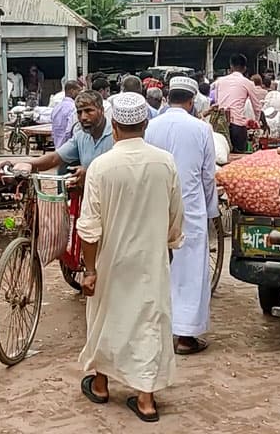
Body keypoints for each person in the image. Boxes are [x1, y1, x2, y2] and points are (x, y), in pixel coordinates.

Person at [76, 92, 184, 423]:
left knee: (106, 318)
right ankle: (146, 399)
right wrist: (168, 245)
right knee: (148, 322)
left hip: (111, 260)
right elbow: (175, 215)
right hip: (151, 260)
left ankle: (101, 382)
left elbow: (89, 228)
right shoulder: (165, 162)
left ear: (113, 124)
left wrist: (90, 270)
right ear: (145, 123)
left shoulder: (101, 166)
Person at [145, 77, 218, 355]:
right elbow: (207, 176)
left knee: (157, 267)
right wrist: (211, 211)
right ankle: (186, 337)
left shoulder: (151, 127)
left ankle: (157, 331)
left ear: (168, 98)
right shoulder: (201, 129)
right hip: (190, 207)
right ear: (190, 102)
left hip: (156, 206)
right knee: (190, 269)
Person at [6, 91, 113, 186]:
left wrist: (89, 173)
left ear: (101, 110)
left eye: (89, 111)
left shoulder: (116, 134)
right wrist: (25, 164)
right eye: (79, 112)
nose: (83, 117)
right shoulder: (81, 136)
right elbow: (54, 158)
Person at [213, 54, 262, 153]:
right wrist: (257, 122)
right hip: (237, 125)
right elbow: (257, 107)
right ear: (244, 68)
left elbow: (217, 102)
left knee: (222, 155)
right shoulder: (247, 83)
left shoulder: (219, 81)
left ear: (231, 66)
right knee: (239, 158)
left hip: (221, 124)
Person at [52, 81, 81, 149]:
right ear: (72, 91)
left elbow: (53, 129)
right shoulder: (74, 108)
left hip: (57, 146)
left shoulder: (56, 107)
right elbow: (69, 131)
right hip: (68, 147)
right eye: (79, 91)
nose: (80, 94)